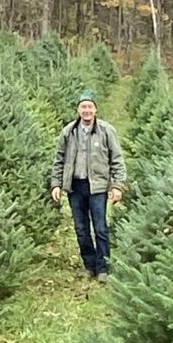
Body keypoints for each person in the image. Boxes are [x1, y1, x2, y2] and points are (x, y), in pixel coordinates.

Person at [49, 94, 126, 287]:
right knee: (81, 229)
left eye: (90, 107)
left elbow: (117, 159)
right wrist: (56, 184)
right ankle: (89, 264)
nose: (86, 110)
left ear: (95, 110)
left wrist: (117, 186)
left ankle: (103, 268)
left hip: (97, 186)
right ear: (78, 110)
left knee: (100, 228)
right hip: (75, 187)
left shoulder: (106, 131)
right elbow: (59, 160)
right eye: (83, 107)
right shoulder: (69, 132)